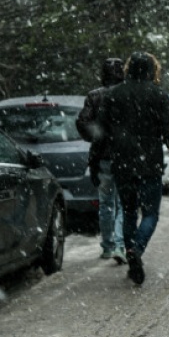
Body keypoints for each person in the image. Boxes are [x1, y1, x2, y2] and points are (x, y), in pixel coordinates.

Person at [99, 52, 169, 285]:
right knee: (150, 213)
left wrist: (94, 163)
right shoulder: (159, 96)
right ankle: (136, 249)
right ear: (152, 70)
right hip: (149, 163)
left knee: (129, 211)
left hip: (122, 163)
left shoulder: (114, 95)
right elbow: (168, 135)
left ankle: (131, 251)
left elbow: (102, 133)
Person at [76, 58, 126, 264]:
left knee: (106, 203)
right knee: (124, 203)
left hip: (103, 156)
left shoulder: (94, 96)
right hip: (125, 156)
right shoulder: (127, 94)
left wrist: (97, 137)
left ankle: (108, 245)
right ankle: (120, 244)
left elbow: (82, 121)